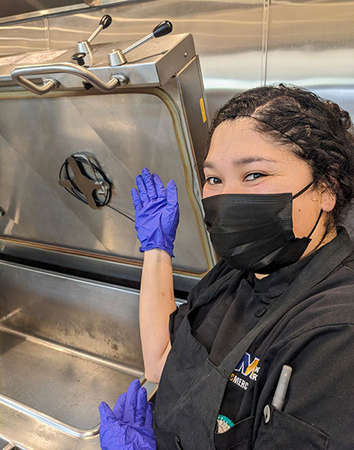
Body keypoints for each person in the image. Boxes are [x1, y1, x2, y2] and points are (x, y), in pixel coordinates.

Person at [99, 85, 354, 449]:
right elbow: (162, 362)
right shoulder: (238, 272)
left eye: (254, 175)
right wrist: (157, 250)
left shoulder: (338, 335)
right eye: (214, 179)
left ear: (326, 187)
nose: (227, 197)